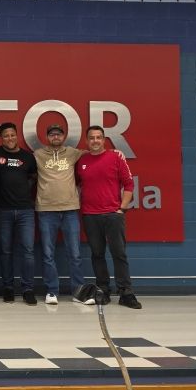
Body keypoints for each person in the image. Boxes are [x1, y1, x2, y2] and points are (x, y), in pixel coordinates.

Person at [75, 125, 142, 309]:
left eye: (98, 137)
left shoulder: (115, 157)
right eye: (91, 138)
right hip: (90, 215)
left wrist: (122, 208)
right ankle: (103, 290)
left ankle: (126, 293)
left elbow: (128, 184)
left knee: (119, 254)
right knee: (97, 254)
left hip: (113, 215)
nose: (95, 141)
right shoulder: (82, 161)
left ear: (104, 140)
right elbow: (77, 184)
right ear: (87, 141)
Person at [34, 124, 93, 306]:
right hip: (46, 210)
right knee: (48, 253)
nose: (56, 137)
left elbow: (94, 152)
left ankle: (78, 291)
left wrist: (117, 153)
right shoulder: (37, 155)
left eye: (58, 134)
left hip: (69, 209)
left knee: (74, 253)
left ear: (64, 136)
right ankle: (52, 291)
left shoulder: (73, 153)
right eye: (52, 134)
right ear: (47, 137)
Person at [0, 122, 38, 305]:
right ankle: (8, 287)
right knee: (5, 251)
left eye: (12, 135)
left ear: (17, 136)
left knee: (28, 251)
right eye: (6, 136)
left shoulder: (28, 157)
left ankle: (28, 289)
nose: (9, 138)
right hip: (2, 211)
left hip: (25, 210)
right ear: (1, 138)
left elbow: (33, 178)